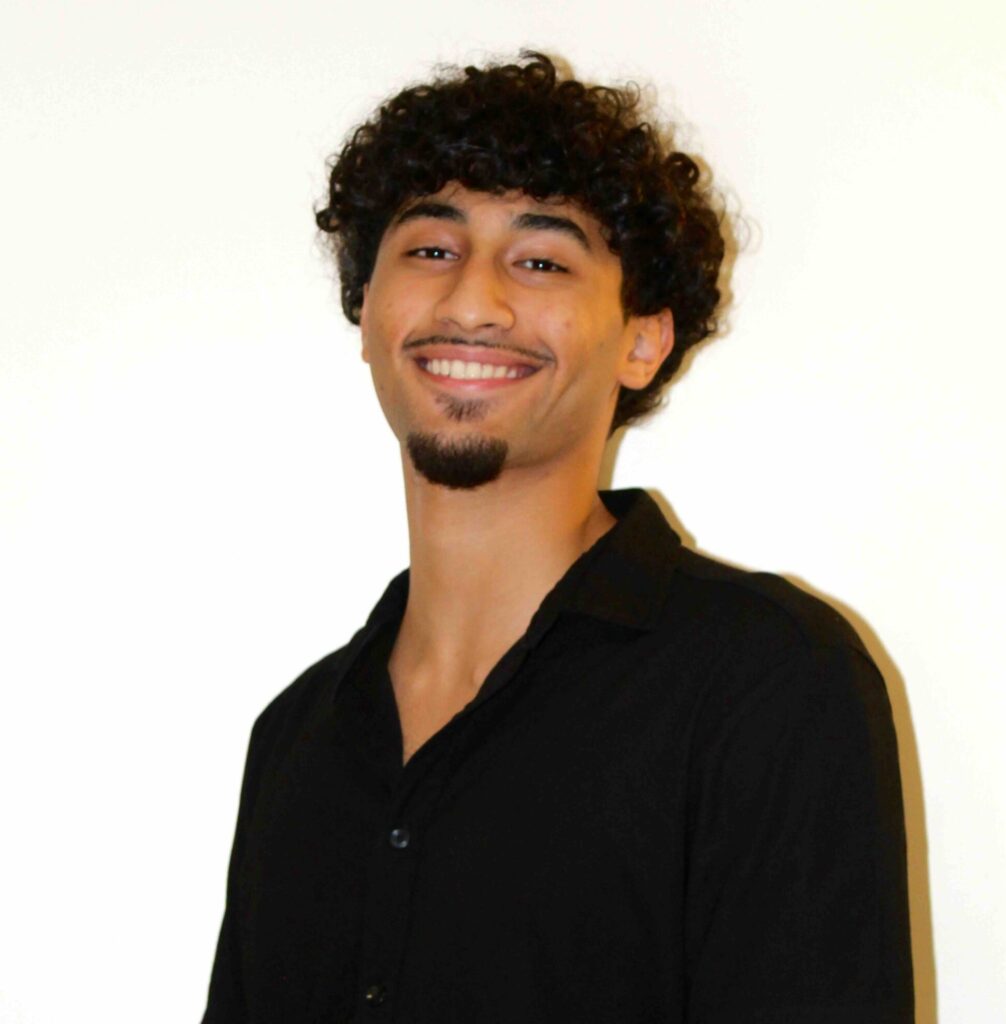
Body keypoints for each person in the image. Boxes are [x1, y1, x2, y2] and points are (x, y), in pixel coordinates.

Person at [201, 50, 914, 1023]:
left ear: (641, 339)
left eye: (540, 260)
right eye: (428, 249)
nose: (472, 301)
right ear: (365, 310)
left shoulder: (767, 681)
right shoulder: (295, 738)